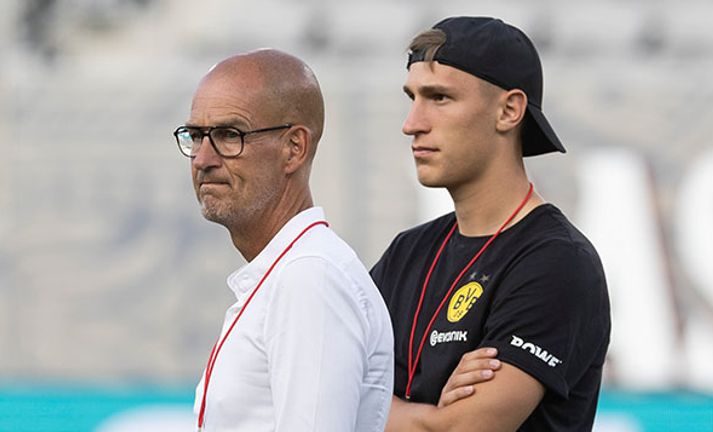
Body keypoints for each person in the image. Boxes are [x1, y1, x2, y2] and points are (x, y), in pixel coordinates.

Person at [370, 17, 611, 431]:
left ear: (509, 110)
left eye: (439, 98)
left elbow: (458, 429)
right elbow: (316, 388)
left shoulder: (556, 262)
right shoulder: (407, 253)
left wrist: (377, 406)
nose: (412, 123)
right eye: (412, 97)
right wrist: (426, 415)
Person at [174, 49, 394, 432]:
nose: (202, 158)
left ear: (294, 148)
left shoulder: (309, 277)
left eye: (229, 135)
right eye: (195, 136)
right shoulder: (291, 273)